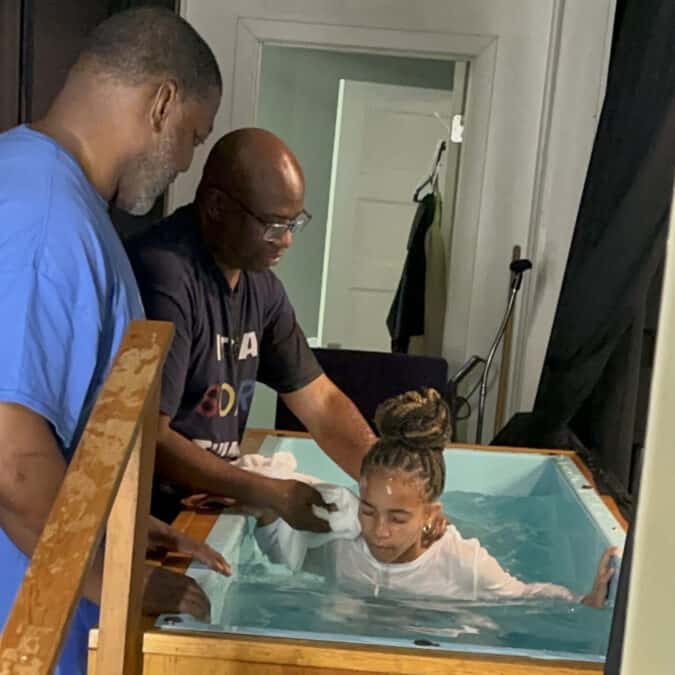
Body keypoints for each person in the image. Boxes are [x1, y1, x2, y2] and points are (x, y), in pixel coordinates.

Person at [0, 7, 222, 674]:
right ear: (161, 103)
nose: (184, 163)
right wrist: (116, 578)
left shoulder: (26, 179)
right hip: (27, 630)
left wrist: (116, 520)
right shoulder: (47, 219)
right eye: (192, 137)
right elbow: (13, 460)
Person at [127, 128, 384, 531]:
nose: (286, 240)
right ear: (217, 206)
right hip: (147, 519)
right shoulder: (165, 277)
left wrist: (388, 485)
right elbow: (147, 437)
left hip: (204, 502)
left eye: (294, 223)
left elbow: (320, 402)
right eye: (273, 224)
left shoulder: (261, 287)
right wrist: (272, 493)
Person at [252, 389, 618, 608]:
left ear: (431, 514)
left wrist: (584, 601)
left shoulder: (462, 561)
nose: (378, 530)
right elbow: (288, 556)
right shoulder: (345, 543)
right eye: (368, 510)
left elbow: (523, 594)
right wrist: (265, 510)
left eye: (398, 518)